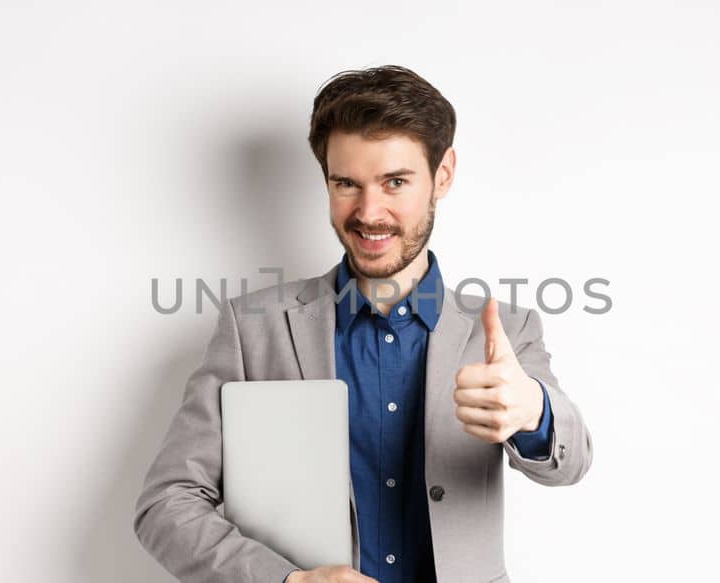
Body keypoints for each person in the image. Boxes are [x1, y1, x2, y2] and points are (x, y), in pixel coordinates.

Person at [133, 65, 593, 583]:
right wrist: (288, 581)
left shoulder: (505, 328)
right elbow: (166, 504)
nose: (369, 211)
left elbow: (571, 463)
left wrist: (535, 411)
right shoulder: (251, 327)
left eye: (395, 182)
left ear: (442, 176)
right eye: (346, 183)